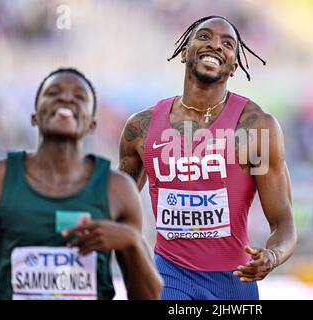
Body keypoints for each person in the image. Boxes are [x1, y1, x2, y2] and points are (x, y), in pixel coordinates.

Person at [119, 16, 296, 300]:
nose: (215, 45)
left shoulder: (255, 129)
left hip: (236, 281)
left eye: (227, 44)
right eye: (204, 37)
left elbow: (283, 222)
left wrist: (272, 256)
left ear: (234, 66)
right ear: (184, 52)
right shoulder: (141, 128)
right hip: (169, 275)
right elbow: (115, 205)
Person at [0, 68, 163, 300]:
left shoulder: (118, 189)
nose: (66, 98)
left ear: (92, 124)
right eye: (54, 93)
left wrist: (131, 241)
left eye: (80, 96)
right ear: (34, 116)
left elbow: (149, 297)